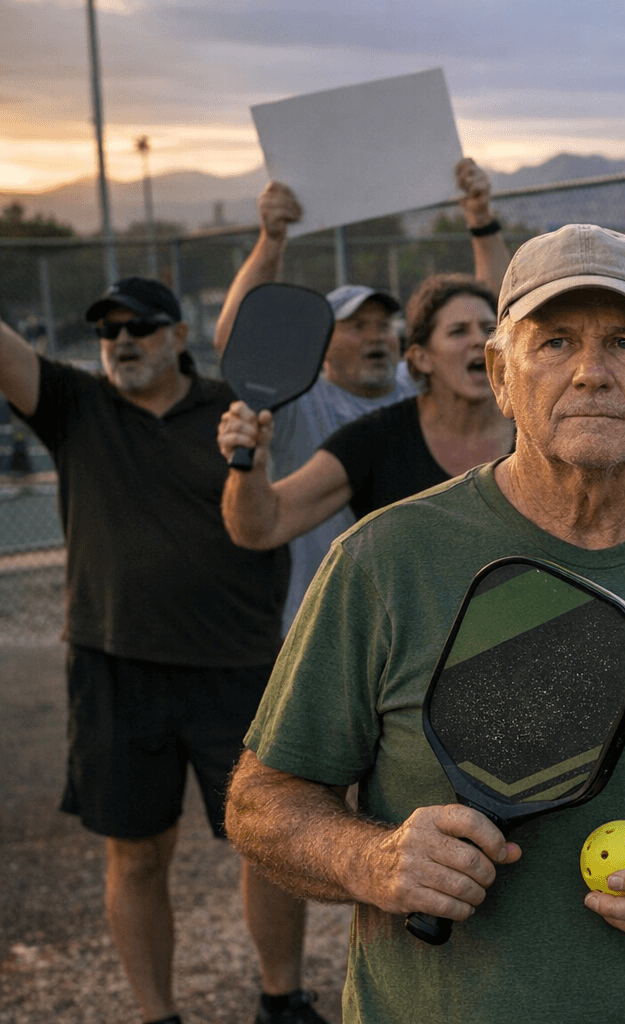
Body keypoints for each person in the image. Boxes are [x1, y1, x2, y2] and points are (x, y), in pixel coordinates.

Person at [223, 224, 625, 1022]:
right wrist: (372, 859)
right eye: (553, 342)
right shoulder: (385, 559)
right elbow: (261, 802)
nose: (591, 372)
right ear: (500, 375)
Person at [0, 278, 326, 1024]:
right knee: (137, 852)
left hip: (239, 665)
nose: (121, 340)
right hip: (114, 666)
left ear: (180, 336)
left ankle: (283, 998)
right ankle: (156, 1015)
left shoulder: (239, 410)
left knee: (267, 844)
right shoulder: (74, 405)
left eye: (140, 326)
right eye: (108, 328)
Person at [215, 158, 511, 631]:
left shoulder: (430, 388)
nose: (375, 336)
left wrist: (480, 219)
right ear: (423, 356)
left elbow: (500, 311)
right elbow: (239, 338)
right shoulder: (311, 404)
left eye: (382, 325)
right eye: (356, 326)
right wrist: (271, 241)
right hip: (345, 628)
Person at [218, 273, 514, 549]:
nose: (479, 340)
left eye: (488, 329)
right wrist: (250, 469)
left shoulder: (533, 427)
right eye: (458, 331)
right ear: (422, 358)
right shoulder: (375, 439)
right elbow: (263, 527)